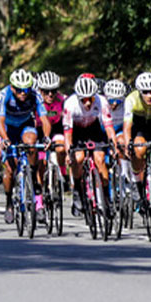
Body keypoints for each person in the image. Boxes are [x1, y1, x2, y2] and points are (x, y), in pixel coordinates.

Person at [0, 69, 50, 223]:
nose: (23, 93)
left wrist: (46, 137)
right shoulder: (4, 94)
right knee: (10, 169)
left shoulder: (35, 95)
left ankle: (33, 177)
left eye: (26, 89)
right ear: (12, 88)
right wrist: (5, 139)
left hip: (26, 125)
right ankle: (9, 203)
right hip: (8, 129)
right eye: (19, 90)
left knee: (31, 143)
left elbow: (44, 119)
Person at [64, 76, 117, 214]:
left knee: (100, 159)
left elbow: (109, 127)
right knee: (78, 158)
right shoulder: (70, 104)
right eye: (84, 100)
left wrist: (114, 147)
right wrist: (68, 153)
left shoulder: (102, 101)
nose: (88, 103)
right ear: (78, 98)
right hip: (77, 131)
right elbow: (68, 134)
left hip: (93, 129)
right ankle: (77, 189)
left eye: (91, 99)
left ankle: (106, 199)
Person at [124, 72, 151, 204]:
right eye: (145, 92)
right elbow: (127, 127)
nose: (150, 95)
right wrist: (128, 145)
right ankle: (136, 180)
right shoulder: (131, 99)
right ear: (139, 92)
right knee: (139, 150)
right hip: (140, 126)